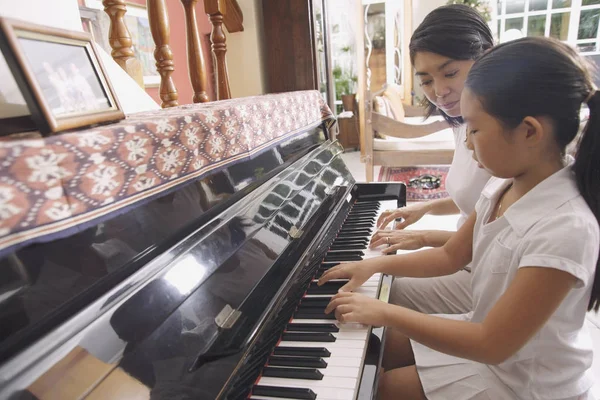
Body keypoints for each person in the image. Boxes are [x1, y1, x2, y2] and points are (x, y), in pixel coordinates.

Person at [320, 36, 600, 399]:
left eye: (475, 128)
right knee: (366, 347)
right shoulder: (502, 185)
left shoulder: (566, 227)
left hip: (524, 382)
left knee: (379, 387)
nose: (467, 143)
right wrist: (373, 268)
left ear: (529, 131)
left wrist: (384, 311)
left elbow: (491, 345)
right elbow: (451, 255)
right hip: (489, 344)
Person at [371, 4, 493, 312]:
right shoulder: (464, 119)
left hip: (488, 272)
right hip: (468, 254)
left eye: (450, 73)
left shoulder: (504, 134)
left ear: (487, 57)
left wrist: (422, 237)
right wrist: (424, 208)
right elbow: (480, 199)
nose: (439, 91)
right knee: (377, 285)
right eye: (426, 81)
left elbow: (488, 237)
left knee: (378, 292)